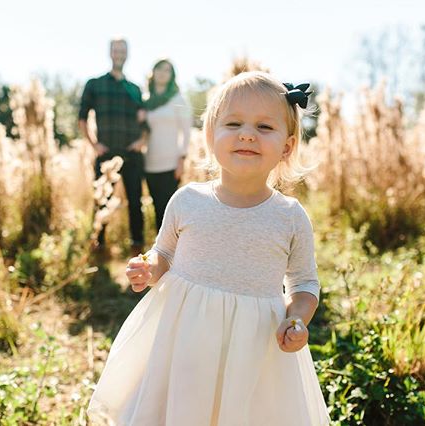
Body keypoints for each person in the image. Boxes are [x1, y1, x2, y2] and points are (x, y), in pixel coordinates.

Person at [87, 72, 330, 425]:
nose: (247, 134)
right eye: (233, 123)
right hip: (185, 340)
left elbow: (304, 284)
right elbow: (164, 253)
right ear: (210, 135)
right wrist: (149, 268)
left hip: (253, 350)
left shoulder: (289, 217)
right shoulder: (188, 200)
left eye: (264, 127)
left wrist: (297, 318)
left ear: (288, 147)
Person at [79, 37, 148, 255]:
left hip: (132, 156)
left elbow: (145, 123)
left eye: (123, 50)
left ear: (127, 54)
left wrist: (142, 141)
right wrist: (94, 144)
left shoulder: (135, 89)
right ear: (110, 53)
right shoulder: (94, 84)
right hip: (106, 154)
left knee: (136, 203)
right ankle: (98, 246)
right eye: (116, 50)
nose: (119, 54)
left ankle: (137, 247)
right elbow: (82, 118)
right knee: (102, 200)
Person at [143, 59, 192, 231]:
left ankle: (174, 253)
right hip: (150, 163)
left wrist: (181, 159)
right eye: (159, 69)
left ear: (172, 76)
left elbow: (186, 132)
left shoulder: (178, 99)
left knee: (170, 211)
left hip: (171, 163)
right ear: (153, 72)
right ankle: (160, 253)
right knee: (157, 208)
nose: (163, 73)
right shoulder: (146, 101)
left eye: (167, 70)